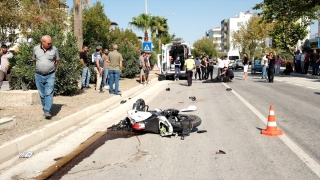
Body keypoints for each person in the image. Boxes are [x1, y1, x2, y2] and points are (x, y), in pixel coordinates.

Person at [33, 35, 60, 119]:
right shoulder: (36, 49)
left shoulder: (54, 49)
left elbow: (57, 61)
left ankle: (47, 111)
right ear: (43, 42)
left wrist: (51, 68)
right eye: (48, 43)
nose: (50, 44)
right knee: (42, 94)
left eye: (50, 43)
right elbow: (35, 60)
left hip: (50, 75)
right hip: (38, 75)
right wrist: (41, 67)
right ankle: (46, 109)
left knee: (48, 93)